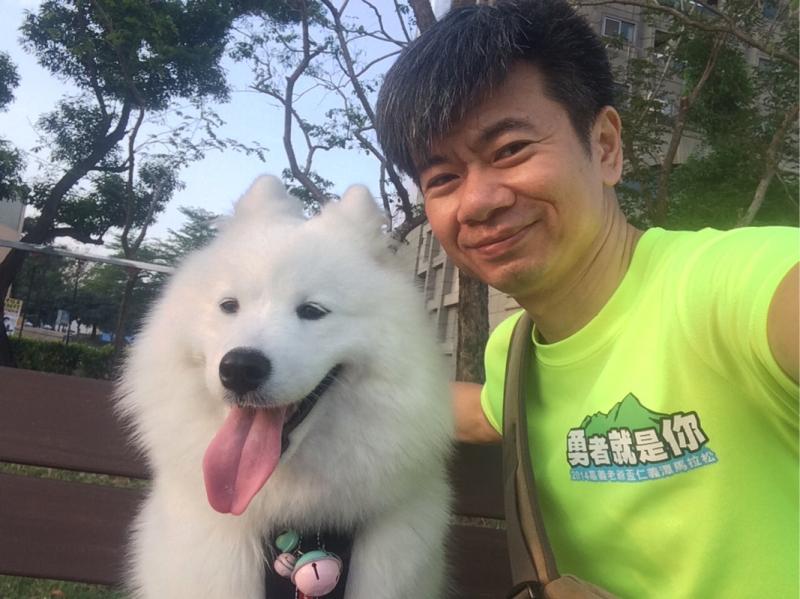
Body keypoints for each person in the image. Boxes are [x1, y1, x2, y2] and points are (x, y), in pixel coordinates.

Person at [374, 1, 799, 598]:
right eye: (442, 178)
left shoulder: (728, 285)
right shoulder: (513, 355)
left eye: (510, 149)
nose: (477, 202)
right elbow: (473, 411)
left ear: (604, 147)